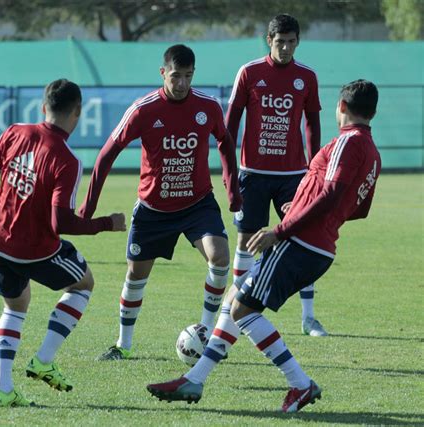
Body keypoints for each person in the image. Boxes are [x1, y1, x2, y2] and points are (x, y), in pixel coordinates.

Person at [147, 79, 381, 413]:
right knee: (233, 299)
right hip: (317, 245)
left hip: (300, 243)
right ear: (374, 111)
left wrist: (284, 227)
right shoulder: (373, 154)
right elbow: (358, 207)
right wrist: (301, 206)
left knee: (243, 311)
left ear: (341, 107)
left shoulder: (348, 142)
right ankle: (195, 380)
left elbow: (330, 195)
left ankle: (300, 384)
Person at [0, 79, 126, 407]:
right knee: (83, 284)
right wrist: (107, 224)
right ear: (77, 112)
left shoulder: (16, 130)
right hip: (33, 250)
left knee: (15, 308)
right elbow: (60, 223)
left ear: (43, 107)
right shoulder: (67, 160)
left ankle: (4, 390)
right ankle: (44, 360)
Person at [78, 44, 241, 361]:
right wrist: (88, 206)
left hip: (198, 205)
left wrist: (232, 188)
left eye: (188, 76)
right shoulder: (144, 109)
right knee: (136, 276)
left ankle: (205, 335)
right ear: (163, 72)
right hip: (153, 210)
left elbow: (225, 140)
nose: (181, 84)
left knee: (220, 258)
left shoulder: (207, 106)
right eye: (176, 76)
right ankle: (123, 345)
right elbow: (106, 155)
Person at [227, 14, 326, 336]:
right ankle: (235, 310)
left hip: (293, 175)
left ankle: (309, 318)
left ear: (298, 42)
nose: (285, 48)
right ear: (269, 41)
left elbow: (312, 123)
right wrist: (230, 173)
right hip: (253, 174)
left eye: (291, 42)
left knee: (300, 237)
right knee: (245, 240)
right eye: (279, 41)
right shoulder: (249, 72)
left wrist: (315, 166)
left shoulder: (306, 77)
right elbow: (230, 125)